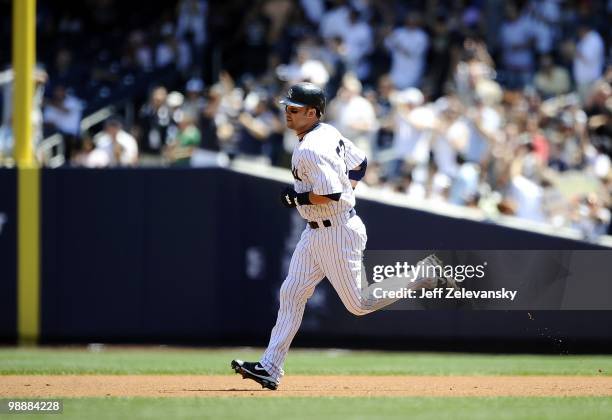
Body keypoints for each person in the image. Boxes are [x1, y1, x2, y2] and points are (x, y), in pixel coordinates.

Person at [231, 82, 458, 390]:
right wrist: (344, 190)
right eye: (287, 107)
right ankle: (270, 367)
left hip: (336, 230)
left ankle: (424, 274)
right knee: (292, 293)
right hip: (316, 233)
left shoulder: (311, 147)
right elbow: (360, 163)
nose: (288, 113)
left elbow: (333, 195)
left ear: (312, 113)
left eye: (294, 109)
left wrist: (296, 199)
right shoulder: (327, 132)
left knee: (359, 303)